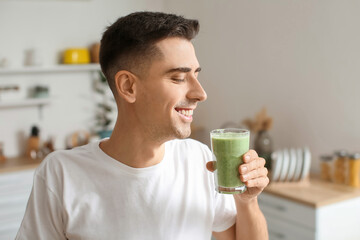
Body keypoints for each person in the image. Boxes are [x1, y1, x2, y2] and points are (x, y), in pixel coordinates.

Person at [16, 12, 269, 240]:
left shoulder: (200, 160)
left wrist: (247, 201)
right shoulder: (61, 174)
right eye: (179, 78)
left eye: (196, 76)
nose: (200, 93)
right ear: (128, 86)